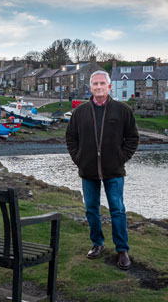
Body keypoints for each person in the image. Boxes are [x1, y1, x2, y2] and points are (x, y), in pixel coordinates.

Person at [65, 70, 139, 270]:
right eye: (95, 84)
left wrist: (121, 158)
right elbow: (71, 138)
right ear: (90, 87)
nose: (98, 87)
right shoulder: (80, 112)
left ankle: (122, 250)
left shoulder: (122, 110)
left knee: (117, 210)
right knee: (91, 209)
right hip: (88, 170)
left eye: (102, 84)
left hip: (114, 171)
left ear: (109, 87)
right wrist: (78, 159)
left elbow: (132, 138)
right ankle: (97, 243)